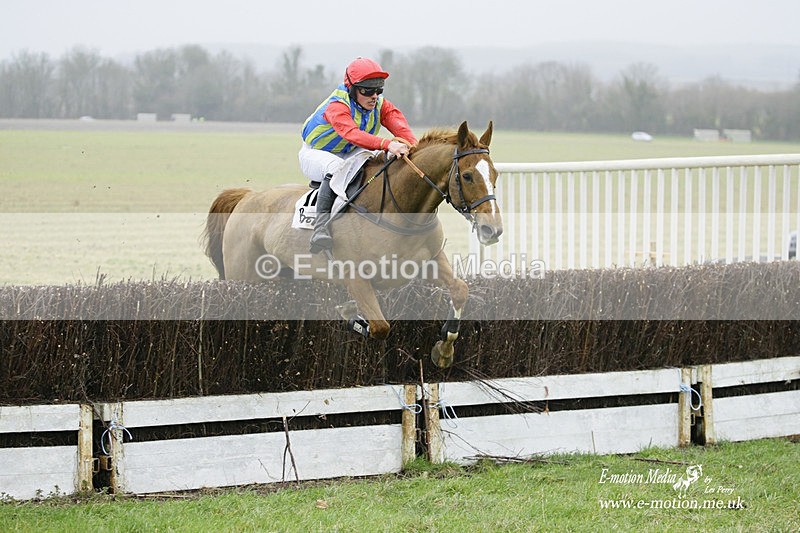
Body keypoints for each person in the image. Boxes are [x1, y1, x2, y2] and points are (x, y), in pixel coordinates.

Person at [299, 57, 418, 253]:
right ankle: (320, 229)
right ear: (352, 88)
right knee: (336, 168)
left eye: (379, 90)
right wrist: (388, 144)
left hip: (348, 151)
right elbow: (351, 134)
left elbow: (401, 128)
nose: (374, 96)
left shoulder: (380, 105)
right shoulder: (337, 106)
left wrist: (414, 147)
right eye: (367, 90)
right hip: (317, 153)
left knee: (381, 158)